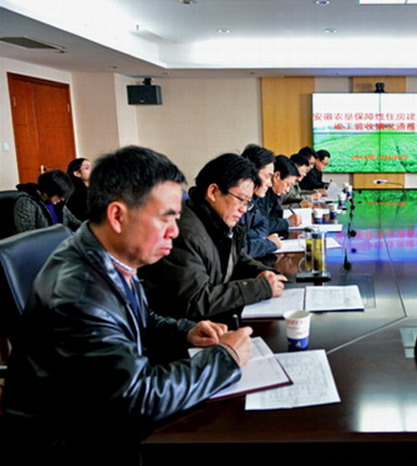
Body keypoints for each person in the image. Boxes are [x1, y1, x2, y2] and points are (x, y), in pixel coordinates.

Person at [3, 145, 254, 466]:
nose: (175, 231)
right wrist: (225, 359)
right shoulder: (80, 292)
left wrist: (186, 331)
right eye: (165, 217)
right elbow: (137, 399)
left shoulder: (105, 252)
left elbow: (139, 316)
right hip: (73, 445)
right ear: (118, 216)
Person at [139, 152, 286, 323]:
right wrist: (259, 288)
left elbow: (236, 258)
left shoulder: (218, 221)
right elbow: (195, 301)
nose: (244, 209)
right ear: (213, 191)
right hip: (187, 329)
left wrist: (265, 273)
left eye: (248, 202)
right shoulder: (184, 233)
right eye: (241, 199)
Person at [240, 144, 283, 258]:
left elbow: (265, 224)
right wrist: (269, 244)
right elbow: (236, 250)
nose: (270, 184)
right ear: (252, 173)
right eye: (267, 177)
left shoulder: (253, 200)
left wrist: (248, 237)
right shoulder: (236, 201)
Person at [13, 169, 81, 234]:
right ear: (49, 191)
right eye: (60, 195)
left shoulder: (58, 203)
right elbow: (28, 235)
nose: (62, 199)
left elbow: (75, 222)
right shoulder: (26, 202)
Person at [260, 155, 302, 234]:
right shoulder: (262, 193)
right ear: (277, 176)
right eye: (287, 184)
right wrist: (287, 222)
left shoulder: (275, 194)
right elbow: (261, 224)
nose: (287, 190)